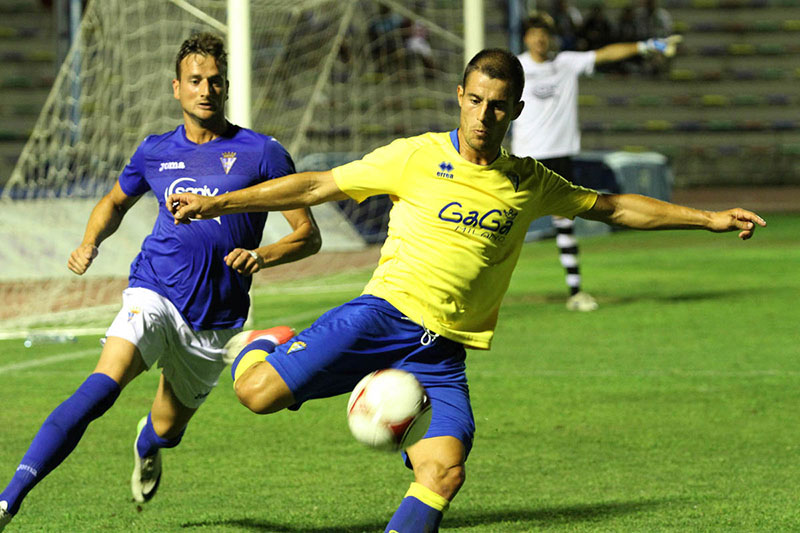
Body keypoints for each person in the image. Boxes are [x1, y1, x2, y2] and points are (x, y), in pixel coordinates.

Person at [167, 48, 764, 533]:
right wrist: (220, 202)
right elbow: (320, 183)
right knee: (255, 395)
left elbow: (613, 207)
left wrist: (707, 218)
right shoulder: (414, 158)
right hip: (379, 318)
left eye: (498, 106)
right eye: (475, 100)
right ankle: (260, 343)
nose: (483, 115)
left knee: (443, 471)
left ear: (516, 110)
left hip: (441, 353)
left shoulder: (528, 182)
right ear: (460, 96)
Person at [0, 32, 320, 531]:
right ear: (176, 88)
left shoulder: (263, 154)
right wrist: (91, 241)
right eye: (195, 81)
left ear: (227, 86)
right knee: (101, 388)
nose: (205, 90)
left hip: (213, 322)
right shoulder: (154, 151)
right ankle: (8, 501)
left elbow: (308, 235)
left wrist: (263, 254)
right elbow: (113, 202)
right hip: (153, 290)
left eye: (214, 82)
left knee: (168, 428)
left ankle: (148, 443)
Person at [511, 12, 680, 311]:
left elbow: (605, 54)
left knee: (564, 222)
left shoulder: (565, 63)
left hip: (560, 154)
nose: (539, 38)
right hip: (527, 157)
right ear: (525, 37)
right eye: (534, 33)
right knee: (503, 222)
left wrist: (647, 45)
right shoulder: (516, 67)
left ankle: (575, 292)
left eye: (543, 33)